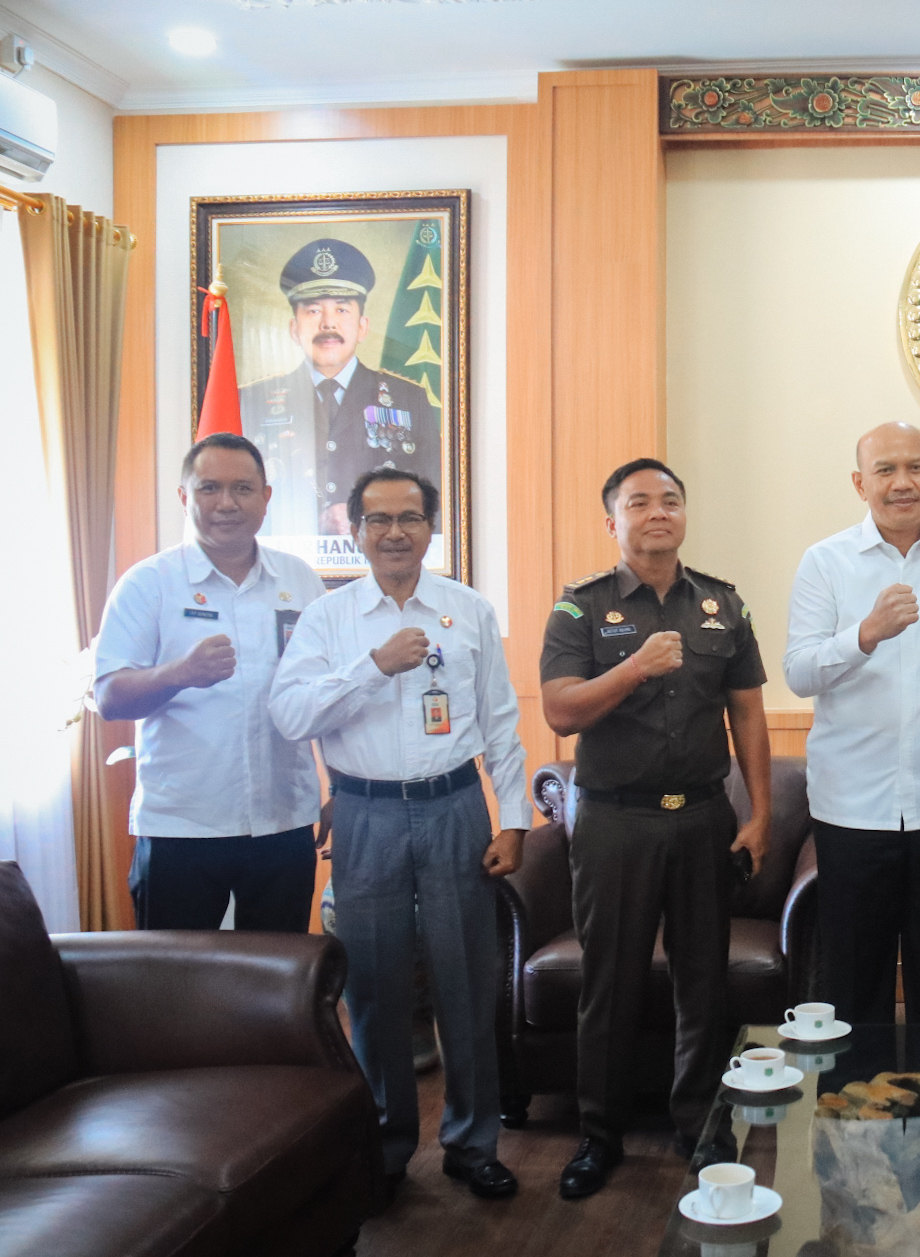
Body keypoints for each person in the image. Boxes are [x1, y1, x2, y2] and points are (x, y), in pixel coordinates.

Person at [269, 468, 526, 1200]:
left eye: (409, 517)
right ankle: (385, 1142)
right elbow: (292, 716)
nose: (393, 532)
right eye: (376, 519)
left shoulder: (467, 608)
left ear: (429, 529)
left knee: (466, 981)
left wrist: (513, 820)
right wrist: (373, 666)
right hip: (364, 814)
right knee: (374, 988)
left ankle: (474, 1143)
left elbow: (502, 723)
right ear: (354, 531)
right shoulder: (328, 617)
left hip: (454, 810)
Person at [538, 458, 771, 1198]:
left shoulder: (723, 605)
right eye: (638, 502)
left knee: (704, 980)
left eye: (670, 499)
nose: (657, 512)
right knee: (610, 983)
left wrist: (759, 812)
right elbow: (561, 711)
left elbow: (748, 715)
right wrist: (634, 668)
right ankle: (598, 1135)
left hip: (703, 817)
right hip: (613, 821)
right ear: (613, 520)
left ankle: (700, 1124)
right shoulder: (579, 608)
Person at [783, 422, 920, 1031]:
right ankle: (858, 1115)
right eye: (886, 470)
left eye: (916, 467)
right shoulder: (824, 562)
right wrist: (865, 634)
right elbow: (798, 672)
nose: (902, 482)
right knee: (856, 980)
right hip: (852, 807)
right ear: (861, 484)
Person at [93, 432, 328, 932]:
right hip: (182, 826)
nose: (227, 503)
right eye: (209, 488)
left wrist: (343, 792)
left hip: (282, 822)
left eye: (243, 489)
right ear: (185, 497)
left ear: (266, 498)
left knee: (277, 983)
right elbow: (110, 696)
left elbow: (327, 696)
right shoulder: (147, 583)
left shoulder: (301, 581)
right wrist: (180, 674)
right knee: (174, 986)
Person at [238, 237, 440, 535]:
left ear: (362, 327)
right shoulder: (252, 401)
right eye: (313, 311)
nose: (328, 324)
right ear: (294, 329)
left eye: (342, 310)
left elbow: (433, 506)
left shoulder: (409, 400)